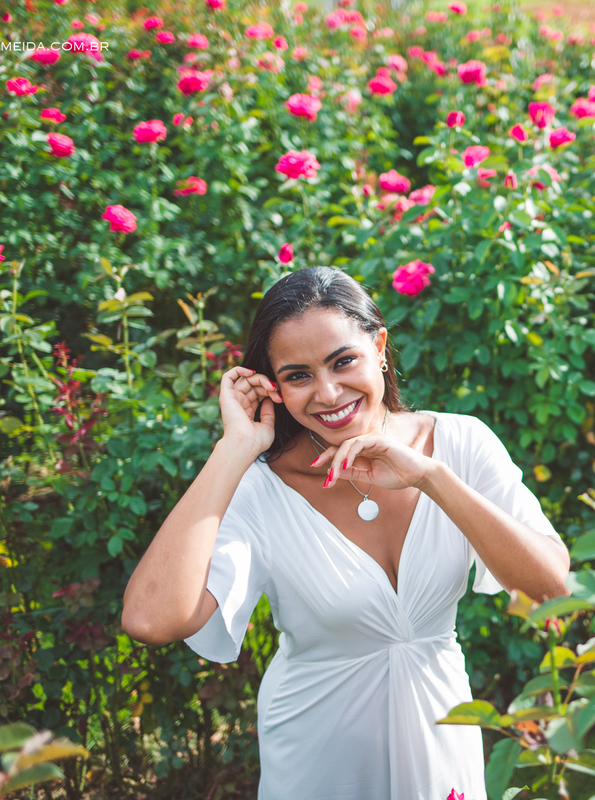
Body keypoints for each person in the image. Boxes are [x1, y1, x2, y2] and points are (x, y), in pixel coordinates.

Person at [121, 266, 570, 800]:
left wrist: (430, 478)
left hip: (441, 736)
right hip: (320, 762)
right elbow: (151, 619)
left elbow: (552, 593)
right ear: (275, 387)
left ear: (379, 345)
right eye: (298, 375)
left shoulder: (462, 444)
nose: (328, 393)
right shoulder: (263, 489)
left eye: (343, 361)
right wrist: (235, 448)